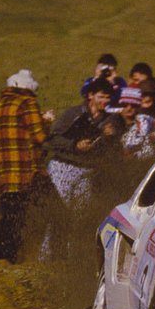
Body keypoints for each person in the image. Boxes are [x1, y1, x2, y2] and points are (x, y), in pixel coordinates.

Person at [40, 76, 122, 260]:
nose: (105, 101)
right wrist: (74, 145)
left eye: (108, 97)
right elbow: (52, 139)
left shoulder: (109, 120)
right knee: (58, 213)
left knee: (79, 216)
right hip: (63, 166)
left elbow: (111, 150)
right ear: (90, 95)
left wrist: (111, 137)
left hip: (86, 171)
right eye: (101, 96)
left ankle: (68, 257)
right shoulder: (73, 114)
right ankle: (45, 256)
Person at [0, 69, 49, 263]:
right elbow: (40, 137)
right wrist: (46, 121)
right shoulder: (27, 102)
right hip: (25, 171)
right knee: (54, 209)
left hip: (3, 173)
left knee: (10, 216)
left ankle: (3, 258)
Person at [118, 86, 155, 159]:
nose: (129, 108)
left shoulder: (146, 120)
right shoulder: (113, 121)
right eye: (125, 105)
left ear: (139, 106)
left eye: (133, 105)